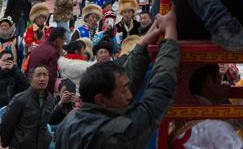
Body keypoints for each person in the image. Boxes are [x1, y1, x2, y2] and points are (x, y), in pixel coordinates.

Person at [54, 10, 180, 149]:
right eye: (124, 91)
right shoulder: (117, 134)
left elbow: (126, 78)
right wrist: (170, 39)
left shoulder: (69, 123)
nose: (130, 95)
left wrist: (143, 44)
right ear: (101, 99)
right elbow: (159, 93)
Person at [169, 64, 243, 148]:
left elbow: (233, 120)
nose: (225, 83)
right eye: (220, 79)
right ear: (209, 82)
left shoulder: (181, 119)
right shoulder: (217, 128)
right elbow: (221, 126)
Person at [0, 64, 56, 149]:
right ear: (30, 79)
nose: (42, 79)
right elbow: (7, 124)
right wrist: (5, 143)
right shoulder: (20, 99)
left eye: (45, 75)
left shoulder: (50, 99)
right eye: (38, 75)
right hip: (20, 145)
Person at [27, 27, 66, 94]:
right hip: (43, 90)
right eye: (64, 39)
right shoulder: (53, 53)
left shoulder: (38, 48)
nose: (64, 41)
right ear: (58, 39)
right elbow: (51, 78)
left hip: (31, 85)